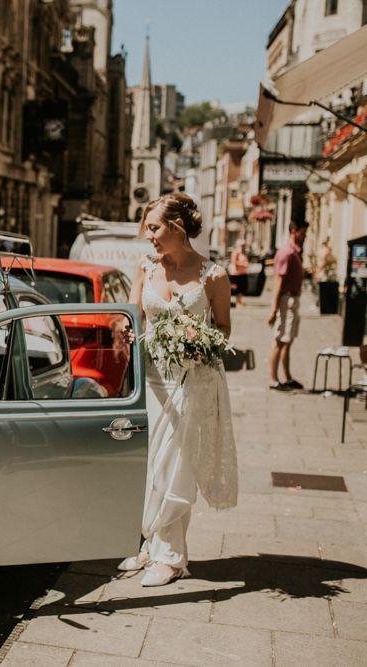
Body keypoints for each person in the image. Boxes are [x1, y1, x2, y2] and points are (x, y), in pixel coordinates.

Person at [118, 192, 238, 587]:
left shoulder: (214, 276)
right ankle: (150, 543)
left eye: (153, 227)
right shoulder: (145, 267)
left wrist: (195, 339)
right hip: (151, 382)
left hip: (192, 381)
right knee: (151, 463)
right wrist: (126, 332)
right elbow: (134, 316)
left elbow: (223, 330)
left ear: (178, 227)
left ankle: (170, 557)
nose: (148, 236)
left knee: (176, 465)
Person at [268, 220, 309, 391]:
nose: (305, 235)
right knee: (279, 339)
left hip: (292, 300)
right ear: (294, 231)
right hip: (286, 300)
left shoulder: (295, 252)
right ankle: (274, 380)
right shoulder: (287, 253)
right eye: (303, 232)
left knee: (287, 340)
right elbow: (278, 281)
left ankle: (287, 377)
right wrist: (274, 308)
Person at [228, 240, 250, 306]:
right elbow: (234, 262)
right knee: (236, 289)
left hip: (242, 273)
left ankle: (240, 301)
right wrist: (244, 264)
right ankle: (237, 302)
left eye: (244, 245)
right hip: (236, 273)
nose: (243, 247)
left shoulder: (244, 253)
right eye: (242, 245)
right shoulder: (236, 253)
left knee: (242, 288)